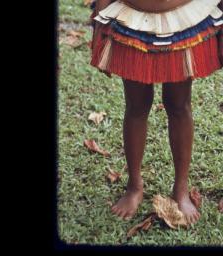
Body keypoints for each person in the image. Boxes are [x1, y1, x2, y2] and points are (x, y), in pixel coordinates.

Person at [90, 0, 223, 223]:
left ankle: (180, 189)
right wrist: (100, 23)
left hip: (184, 18)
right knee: (136, 106)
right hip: (131, 18)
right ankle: (134, 186)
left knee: (179, 105)